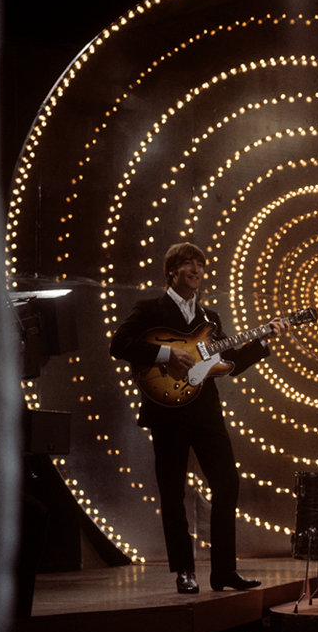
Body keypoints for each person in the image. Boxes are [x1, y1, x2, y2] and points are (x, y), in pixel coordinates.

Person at [110, 242, 283, 594]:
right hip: (167, 411)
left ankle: (223, 572)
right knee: (173, 492)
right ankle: (184, 571)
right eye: (188, 263)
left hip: (205, 411)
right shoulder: (149, 308)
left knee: (228, 484)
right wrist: (165, 353)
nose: (196, 269)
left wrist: (263, 341)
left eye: (200, 264)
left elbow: (228, 363)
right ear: (171, 271)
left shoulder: (210, 319)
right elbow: (119, 345)